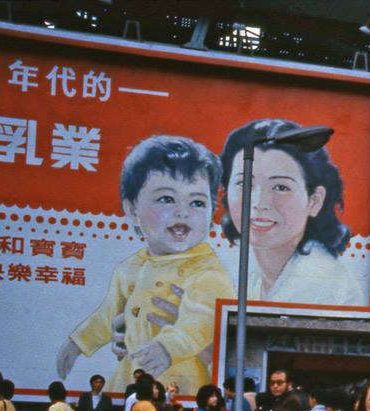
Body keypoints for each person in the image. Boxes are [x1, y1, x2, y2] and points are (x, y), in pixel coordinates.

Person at [56, 136, 235, 395]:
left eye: (197, 202)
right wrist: (78, 343)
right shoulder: (130, 267)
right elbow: (108, 315)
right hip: (132, 369)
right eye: (167, 199)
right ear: (132, 209)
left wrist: (168, 347)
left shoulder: (206, 271)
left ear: (211, 215)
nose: (183, 212)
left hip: (178, 374)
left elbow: (203, 320)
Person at [220, 119, 362, 305]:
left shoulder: (324, 284)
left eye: (280, 187)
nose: (258, 203)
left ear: (315, 201)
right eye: (244, 183)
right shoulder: (252, 278)